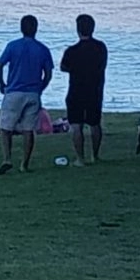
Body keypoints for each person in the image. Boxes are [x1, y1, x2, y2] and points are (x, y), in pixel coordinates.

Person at [0, 15, 54, 175]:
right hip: (33, 93)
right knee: (29, 129)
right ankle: (24, 164)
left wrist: (2, 83)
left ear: (21, 28)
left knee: (5, 128)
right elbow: (48, 74)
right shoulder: (42, 49)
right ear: (36, 28)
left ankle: (7, 159)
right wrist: (41, 88)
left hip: (14, 91)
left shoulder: (13, 46)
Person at [60, 14, 108, 166]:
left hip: (76, 90)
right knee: (95, 124)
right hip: (94, 90)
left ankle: (80, 158)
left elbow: (63, 67)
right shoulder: (101, 47)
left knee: (76, 125)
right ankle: (95, 155)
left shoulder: (72, 51)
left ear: (78, 30)